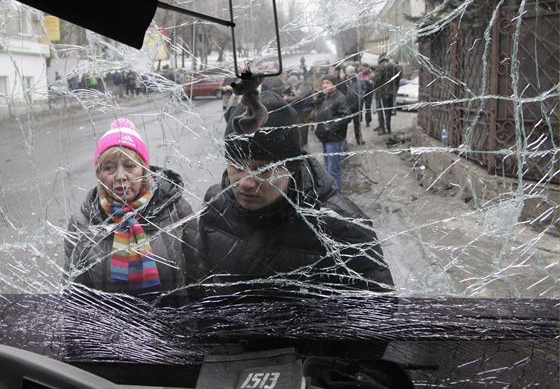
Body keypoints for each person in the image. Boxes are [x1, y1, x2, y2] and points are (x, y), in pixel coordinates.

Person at [196, 91, 394, 292]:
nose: (246, 183)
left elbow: (379, 310)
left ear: (291, 167)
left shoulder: (341, 225)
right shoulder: (215, 204)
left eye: (263, 169)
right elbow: (202, 285)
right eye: (237, 165)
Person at [64, 118, 200, 301]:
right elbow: (74, 294)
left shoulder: (174, 209)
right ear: (99, 174)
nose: (120, 176)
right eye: (109, 168)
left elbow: (198, 276)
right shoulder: (83, 221)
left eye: (129, 166)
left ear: (144, 170)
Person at [314, 74, 356, 189]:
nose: (324, 85)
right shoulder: (326, 97)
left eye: (328, 83)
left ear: (334, 85)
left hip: (334, 139)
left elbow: (347, 116)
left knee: (333, 169)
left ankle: (336, 195)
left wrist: (330, 127)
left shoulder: (340, 98)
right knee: (327, 168)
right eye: (323, 83)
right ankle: (330, 193)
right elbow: (320, 111)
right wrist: (318, 99)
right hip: (325, 137)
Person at [373, 54, 402, 135]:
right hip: (391, 93)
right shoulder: (393, 66)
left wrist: (374, 87)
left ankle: (384, 128)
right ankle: (385, 127)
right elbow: (398, 78)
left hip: (381, 93)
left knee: (381, 110)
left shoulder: (380, 67)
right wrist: (395, 89)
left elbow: (377, 80)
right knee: (388, 111)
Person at [284, 75, 315, 148]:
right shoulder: (302, 85)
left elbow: (298, 97)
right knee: (304, 126)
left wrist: (286, 98)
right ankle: (303, 143)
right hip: (305, 108)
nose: (292, 85)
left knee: (302, 127)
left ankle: (302, 144)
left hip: (305, 109)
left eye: (292, 83)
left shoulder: (303, 86)